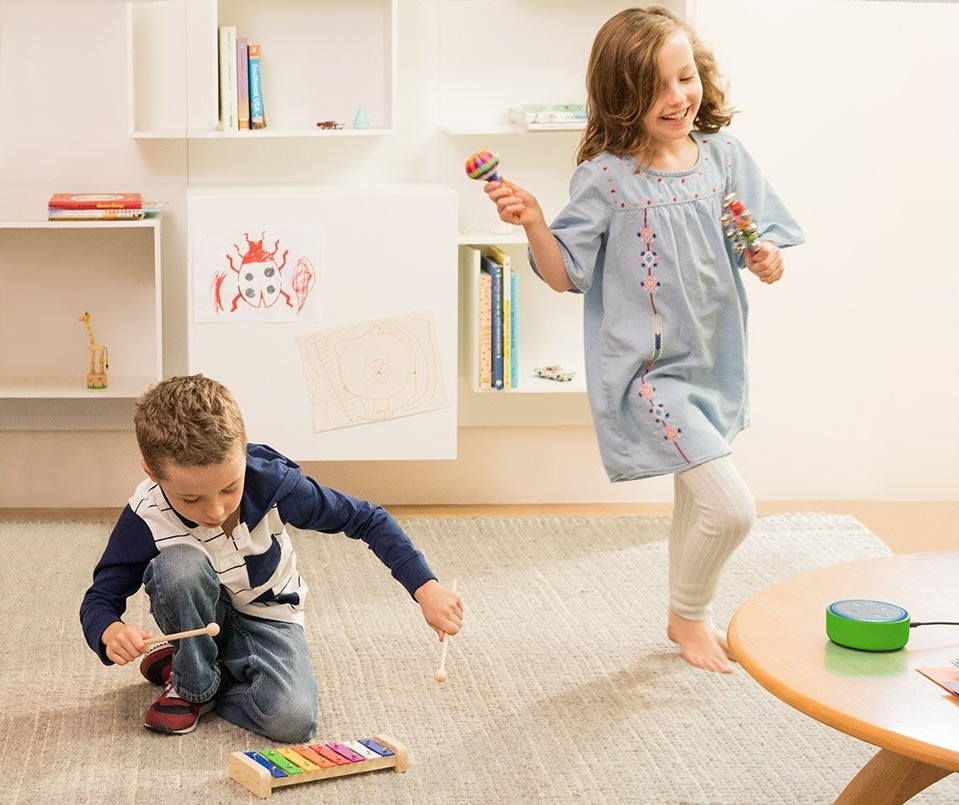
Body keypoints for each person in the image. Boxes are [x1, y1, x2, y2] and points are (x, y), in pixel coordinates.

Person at [484, 6, 803, 673]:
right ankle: (687, 614)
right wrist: (535, 222)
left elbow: (752, 234)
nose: (677, 97)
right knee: (732, 508)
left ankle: (688, 611)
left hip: (715, 359)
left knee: (696, 496)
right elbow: (564, 273)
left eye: (684, 77)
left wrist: (765, 255)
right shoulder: (606, 178)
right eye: (657, 87)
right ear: (623, 97)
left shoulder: (721, 156)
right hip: (650, 373)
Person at [79, 374, 463, 738]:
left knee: (292, 720)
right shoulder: (145, 516)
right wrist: (110, 632)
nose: (215, 511)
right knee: (178, 565)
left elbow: (366, 519)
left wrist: (425, 587)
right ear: (151, 470)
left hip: (270, 615)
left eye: (230, 488)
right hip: (198, 614)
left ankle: (195, 665)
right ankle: (193, 684)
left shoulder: (275, 484)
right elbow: (100, 599)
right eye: (191, 499)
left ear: (244, 444)